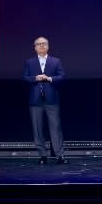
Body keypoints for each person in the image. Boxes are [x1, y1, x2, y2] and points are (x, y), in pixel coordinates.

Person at [23, 36, 67, 164]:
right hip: (35, 100)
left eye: (44, 44)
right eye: (39, 44)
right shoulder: (29, 62)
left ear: (48, 46)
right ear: (35, 47)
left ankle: (60, 155)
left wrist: (50, 78)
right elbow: (25, 77)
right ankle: (42, 155)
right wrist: (35, 78)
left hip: (51, 99)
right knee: (37, 128)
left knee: (55, 127)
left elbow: (62, 76)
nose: (41, 46)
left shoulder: (56, 61)